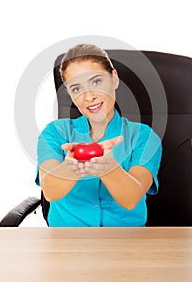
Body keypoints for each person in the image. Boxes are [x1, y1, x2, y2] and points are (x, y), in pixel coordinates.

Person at [35, 44, 162, 226]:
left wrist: (108, 169)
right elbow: (50, 191)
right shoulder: (54, 133)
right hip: (67, 243)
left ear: (114, 79)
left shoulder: (144, 137)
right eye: (76, 89)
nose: (89, 96)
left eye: (96, 82)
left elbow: (131, 198)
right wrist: (71, 168)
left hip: (126, 243)